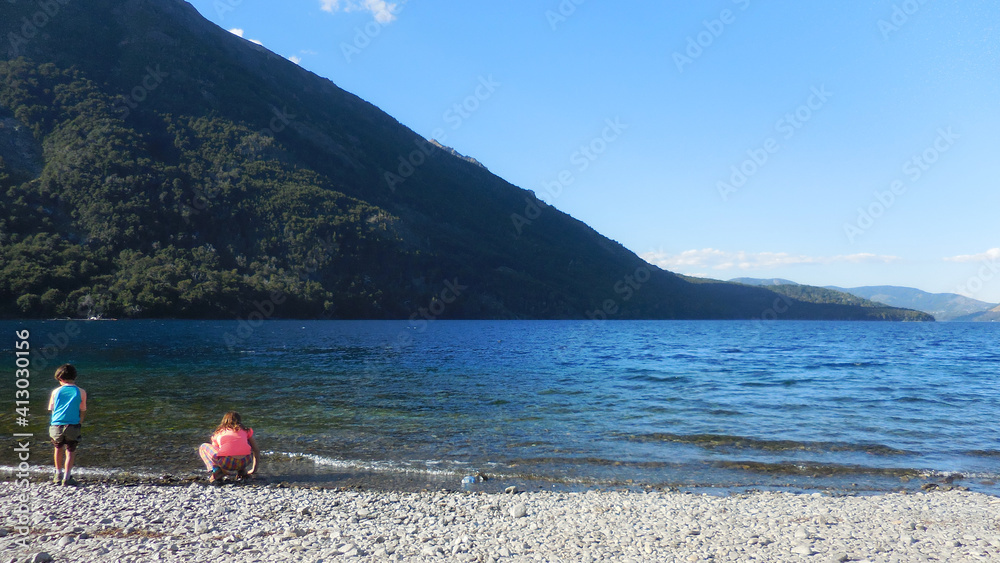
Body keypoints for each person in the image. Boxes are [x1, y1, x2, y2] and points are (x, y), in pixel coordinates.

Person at [47, 364, 87, 486]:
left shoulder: (55, 391)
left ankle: (57, 474)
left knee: (58, 448)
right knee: (70, 450)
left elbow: (52, 409)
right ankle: (67, 477)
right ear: (75, 376)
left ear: (60, 378)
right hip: (73, 424)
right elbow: (82, 410)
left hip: (56, 424)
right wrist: (79, 422)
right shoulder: (81, 391)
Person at [198, 411, 260, 482]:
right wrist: (254, 469)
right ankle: (241, 471)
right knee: (243, 443)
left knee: (203, 447)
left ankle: (217, 471)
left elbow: (216, 456)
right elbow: (256, 449)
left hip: (227, 463)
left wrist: (223, 470)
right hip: (245, 461)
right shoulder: (246, 431)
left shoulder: (219, 432)